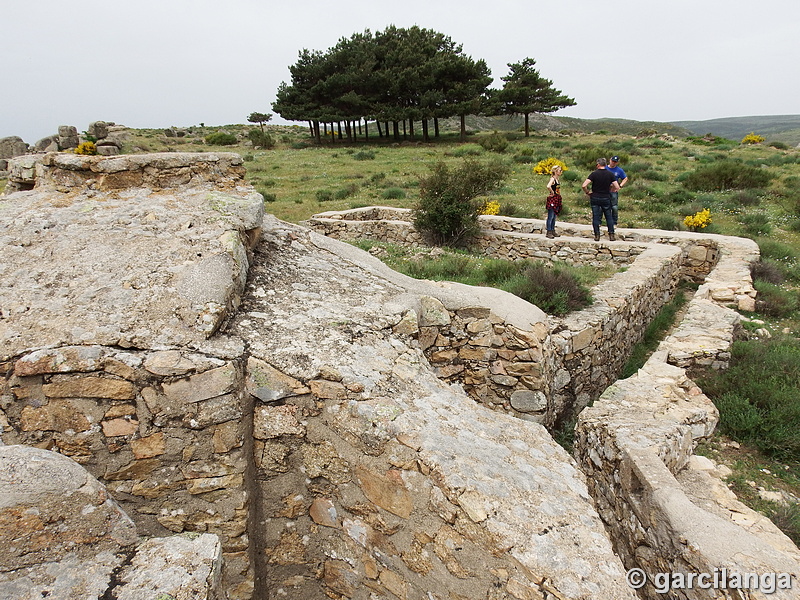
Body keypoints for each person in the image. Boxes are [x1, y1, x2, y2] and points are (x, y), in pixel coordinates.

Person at [582, 158, 620, 241]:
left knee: (596, 216)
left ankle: (597, 235)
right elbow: (617, 186)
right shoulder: (610, 174)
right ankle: (611, 234)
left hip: (595, 196)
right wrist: (611, 189)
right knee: (608, 216)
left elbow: (584, 185)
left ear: (598, 165)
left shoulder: (594, 174)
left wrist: (588, 192)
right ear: (605, 165)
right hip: (606, 197)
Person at [607, 155, 628, 226]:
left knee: (614, 207)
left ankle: (614, 222)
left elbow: (625, 178)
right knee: (602, 207)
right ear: (610, 160)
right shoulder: (605, 168)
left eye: (615, 162)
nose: (613, 163)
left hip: (613, 191)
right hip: (605, 190)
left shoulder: (619, 170)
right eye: (612, 161)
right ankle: (600, 222)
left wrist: (620, 186)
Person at [545, 165, 563, 238]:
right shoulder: (552, 179)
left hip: (557, 198)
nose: (561, 172)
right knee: (551, 215)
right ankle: (549, 231)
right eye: (559, 170)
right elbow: (548, 186)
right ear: (555, 171)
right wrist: (552, 192)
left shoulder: (557, 179)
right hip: (553, 198)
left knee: (554, 215)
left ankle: (552, 230)